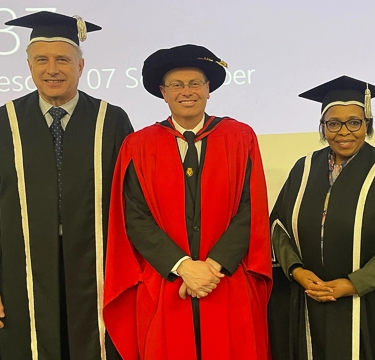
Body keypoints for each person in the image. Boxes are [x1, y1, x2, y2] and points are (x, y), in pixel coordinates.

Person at [0, 11, 133, 360]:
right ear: (29, 65)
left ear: (81, 65)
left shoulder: (112, 121)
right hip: (20, 274)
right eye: (41, 59)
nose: (52, 69)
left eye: (62, 59)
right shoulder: (2, 122)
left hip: (97, 273)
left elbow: (132, 205)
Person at [103, 44, 272, 360]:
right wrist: (182, 267)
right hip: (166, 282)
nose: (187, 91)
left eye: (195, 83)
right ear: (163, 93)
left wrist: (212, 266)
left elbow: (253, 208)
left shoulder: (240, 137)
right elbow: (134, 216)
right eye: (176, 85)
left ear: (209, 89)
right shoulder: (139, 145)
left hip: (226, 279)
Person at [268, 75, 375, 360]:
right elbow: (277, 228)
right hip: (309, 297)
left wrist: (354, 283)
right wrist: (296, 271)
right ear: (323, 127)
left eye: (354, 122)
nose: (344, 132)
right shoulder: (304, 168)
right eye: (333, 123)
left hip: (366, 304)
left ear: (367, 124)